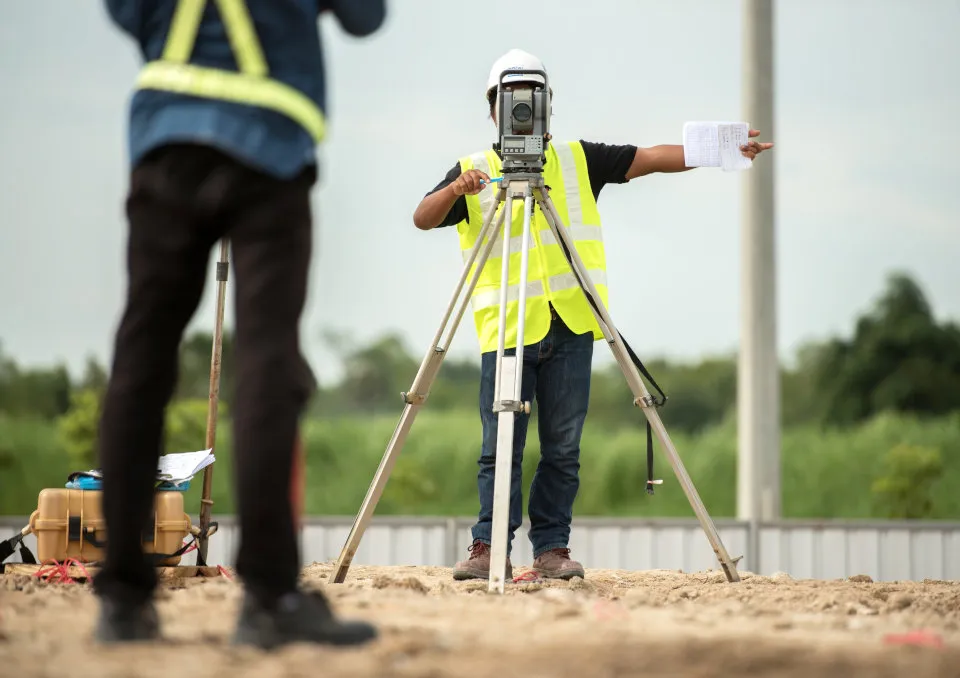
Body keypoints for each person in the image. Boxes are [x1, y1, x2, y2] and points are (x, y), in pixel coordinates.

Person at [412, 48, 773, 582]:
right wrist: (455, 190)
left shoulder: (578, 160)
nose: (521, 112)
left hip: (574, 326)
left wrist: (722, 149)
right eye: (510, 102)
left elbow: (649, 157)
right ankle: (488, 547)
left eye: (530, 102)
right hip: (508, 331)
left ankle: (551, 550)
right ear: (493, 109)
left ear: (547, 106)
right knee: (500, 447)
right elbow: (423, 217)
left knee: (563, 447)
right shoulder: (474, 173)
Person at [94, 0, 386, 648]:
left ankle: (121, 600)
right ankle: (268, 598)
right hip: (271, 152)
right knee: (267, 364)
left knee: (140, 362)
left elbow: (123, 10)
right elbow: (367, 17)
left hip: (165, 137)